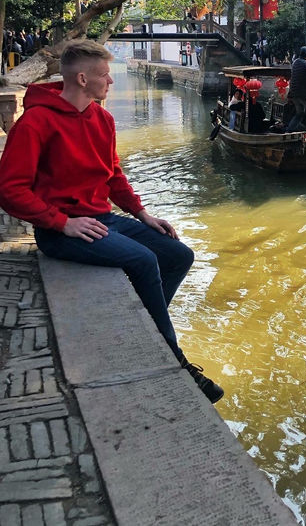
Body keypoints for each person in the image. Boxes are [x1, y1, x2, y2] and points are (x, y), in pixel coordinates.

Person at [0, 40, 224, 404]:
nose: (112, 81)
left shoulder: (102, 118)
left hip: (102, 217)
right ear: (84, 78)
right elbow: (10, 191)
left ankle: (145, 327)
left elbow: (113, 175)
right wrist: (61, 223)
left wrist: (143, 214)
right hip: (62, 231)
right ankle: (176, 359)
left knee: (178, 255)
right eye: (106, 75)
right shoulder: (36, 122)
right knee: (143, 260)